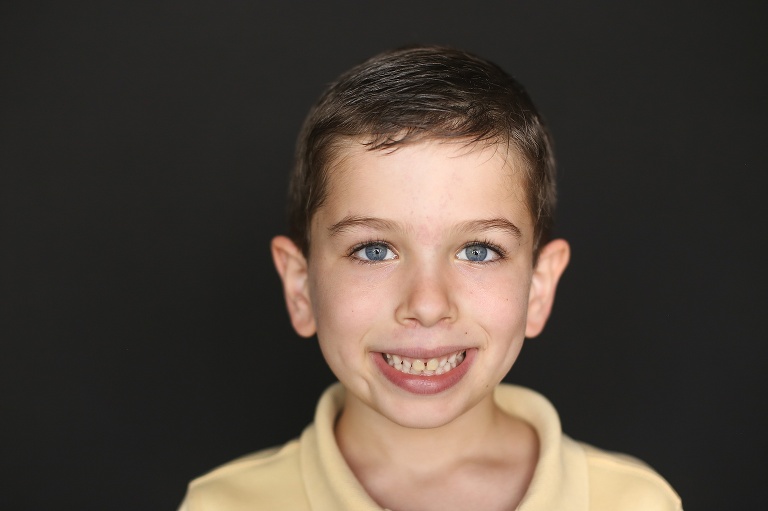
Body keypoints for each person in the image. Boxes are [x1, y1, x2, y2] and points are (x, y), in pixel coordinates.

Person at [178, 45, 682, 511]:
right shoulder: (223, 505)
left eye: (479, 250)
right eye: (374, 250)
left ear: (539, 288)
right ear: (299, 286)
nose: (426, 303)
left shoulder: (634, 502)